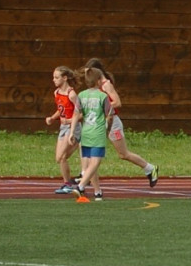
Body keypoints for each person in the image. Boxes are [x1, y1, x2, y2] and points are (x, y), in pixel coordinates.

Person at [83, 57, 158, 187]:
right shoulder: (96, 86)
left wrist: (100, 106)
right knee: (92, 152)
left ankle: (150, 168)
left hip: (112, 122)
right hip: (100, 122)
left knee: (123, 154)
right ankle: (86, 178)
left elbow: (117, 102)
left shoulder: (106, 84)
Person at [71, 67, 113, 202]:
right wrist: (108, 129)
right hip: (97, 132)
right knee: (95, 162)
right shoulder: (103, 96)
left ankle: (97, 191)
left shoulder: (81, 95)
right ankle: (81, 186)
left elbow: (76, 114)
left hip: (86, 132)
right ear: (98, 81)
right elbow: (109, 115)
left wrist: (72, 132)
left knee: (90, 163)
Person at [43, 65, 80, 194]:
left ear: (65, 78)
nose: (54, 80)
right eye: (53, 77)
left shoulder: (72, 94)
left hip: (72, 127)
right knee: (60, 158)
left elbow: (81, 113)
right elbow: (61, 109)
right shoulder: (57, 93)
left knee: (61, 157)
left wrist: (70, 121)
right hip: (63, 127)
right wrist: (52, 118)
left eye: (56, 77)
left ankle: (68, 183)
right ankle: (69, 183)